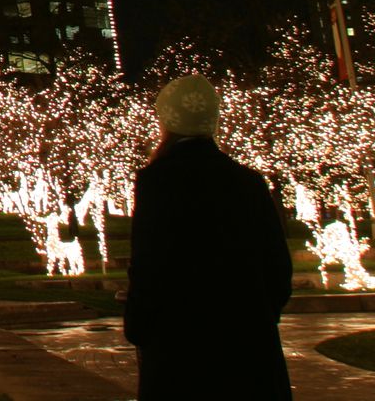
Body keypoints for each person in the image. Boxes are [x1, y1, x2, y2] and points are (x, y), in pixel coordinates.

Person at [125, 74, 293, 398]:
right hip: (251, 358)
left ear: (167, 122)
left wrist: (140, 328)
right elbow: (278, 271)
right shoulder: (248, 182)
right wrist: (253, 319)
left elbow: (148, 269)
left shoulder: (157, 182)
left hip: (180, 358)